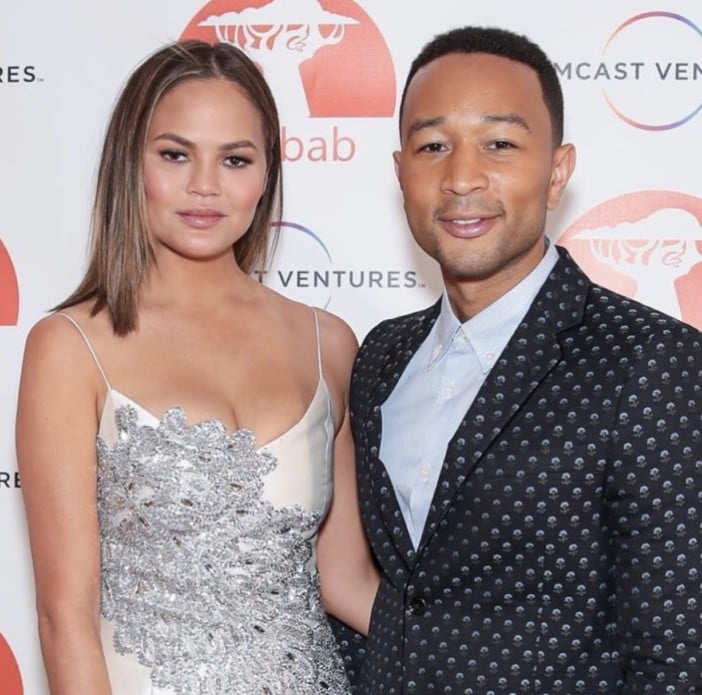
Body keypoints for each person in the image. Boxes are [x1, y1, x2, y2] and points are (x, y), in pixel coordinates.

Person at [338, 26, 702, 693]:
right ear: (400, 172)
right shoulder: (382, 357)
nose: (461, 178)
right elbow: (394, 602)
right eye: (433, 146)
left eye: (499, 144)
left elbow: (678, 659)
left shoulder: (652, 363)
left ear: (557, 172)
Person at [16, 40, 378, 695]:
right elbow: (64, 617)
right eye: (175, 154)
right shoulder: (70, 346)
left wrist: (500, 648)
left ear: (266, 172)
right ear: (131, 162)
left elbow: (345, 578)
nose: (205, 185)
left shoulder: (327, 343)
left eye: (235, 159)